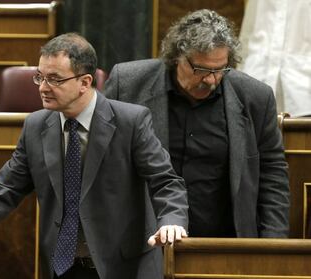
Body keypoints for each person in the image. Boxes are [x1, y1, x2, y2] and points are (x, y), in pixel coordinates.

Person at [0, 33, 189, 279]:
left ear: (85, 82)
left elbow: (165, 181)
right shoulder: (36, 126)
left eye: (55, 79)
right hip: (64, 266)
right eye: (40, 77)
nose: (43, 87)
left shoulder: (130, 121)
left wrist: (172, 222)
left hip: (125, 267)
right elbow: (5, 188)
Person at [104, 9, 290, 238]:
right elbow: (102, 157)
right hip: (143, 241)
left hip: (225, 244)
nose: (211, 80)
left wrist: (272, 246)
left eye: (219, 70)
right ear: (177, 57)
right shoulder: (128, 84)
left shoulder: (255, 97)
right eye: (201, 70)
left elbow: (272, 174)